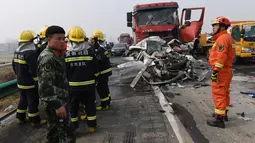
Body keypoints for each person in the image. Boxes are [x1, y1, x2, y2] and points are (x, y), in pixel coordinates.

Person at [37, 25, 76, 142]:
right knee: (67, 135)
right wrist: (57, 106)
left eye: (63, 39)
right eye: (58, 39)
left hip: (59, 101)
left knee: (54, 134)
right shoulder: (48, 58)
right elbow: (45, 86)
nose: (62, 42)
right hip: (55, 104)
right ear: (49, 39)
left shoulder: (56, 55)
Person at [65, 27, 98, 133]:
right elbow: (96, 69)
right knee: (90, 106)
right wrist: (95, 80)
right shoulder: (90, 52)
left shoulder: (65, 54)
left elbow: (64, 72)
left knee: (73, 107)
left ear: (70, 40)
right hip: (89, 86)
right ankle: (92, 127)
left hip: (72, 87)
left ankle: (74, 127)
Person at [12, 30, 47, 126]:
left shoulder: (17, 52)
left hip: (20, 82)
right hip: (30, 83)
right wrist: (37, 81)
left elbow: (14, 66)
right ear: (30, 41)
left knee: (23, 100)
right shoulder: (30, 53)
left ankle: (20, 118)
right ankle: (34, 120)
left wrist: (18, 76)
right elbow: (33, 69)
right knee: (33, 101)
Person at [207, 16, 235, 128]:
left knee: (218, 93)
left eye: (215, 25)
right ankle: (224, 114)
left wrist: (216, 71)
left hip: (221, 71)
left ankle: (219, 119)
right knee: (224, 92)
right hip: (226, 70)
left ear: (222, 26)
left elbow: (221, 56)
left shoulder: (222, 39)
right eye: (213, 25)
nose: (213, 27)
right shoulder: (228, 37)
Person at [90, 30, 112, 111]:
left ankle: (104, 104)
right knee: (105, 87)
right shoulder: (102, 46)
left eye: (92, 39)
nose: (91, 40)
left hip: (102, 72)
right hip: (106, 71)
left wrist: (96, 72)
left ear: (96, 39)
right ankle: (108, 101)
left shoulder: (98, 49)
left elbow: (99, 61)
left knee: (101, 88)